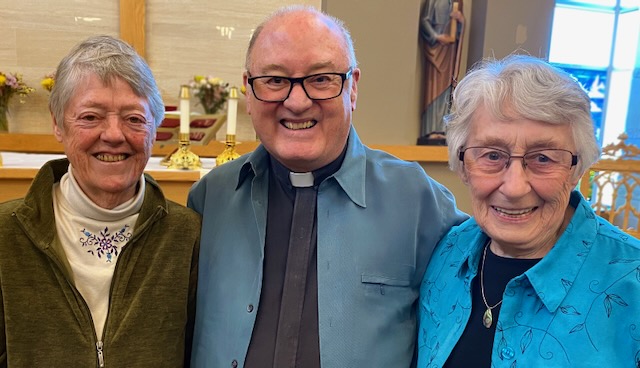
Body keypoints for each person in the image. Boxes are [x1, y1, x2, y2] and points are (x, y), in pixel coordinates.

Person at [188, 5, 467, 368]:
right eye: (274, 80)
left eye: (321, 79)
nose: (298, 101)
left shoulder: (419, 203)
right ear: (248, 90)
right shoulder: (211, 200)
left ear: (352, 88)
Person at [417, 54, 640, 367]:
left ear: (577, 170)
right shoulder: (447, 254)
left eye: (544, 158)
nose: (514, 187)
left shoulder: (632, 283)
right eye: (492, 156)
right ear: (463, 165)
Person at [0, 35, 200, 367]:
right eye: (91, 117)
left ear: (155, 128)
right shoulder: (6, 234)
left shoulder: (188, 236)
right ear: (58, 123)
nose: (113, 134)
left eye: (134, 118)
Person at [418, 0, 465, 142]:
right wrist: (436, 36)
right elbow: (425, 21)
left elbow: (457, 31)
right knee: (434, 88)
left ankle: (443, 129)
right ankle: (431, 129)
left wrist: (460, 21)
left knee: (447, 88)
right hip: (436, 48)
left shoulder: (456, 2)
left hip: (449, 50)